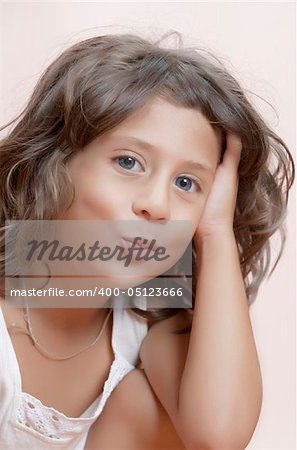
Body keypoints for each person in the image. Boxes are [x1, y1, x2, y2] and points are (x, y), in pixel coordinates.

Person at [0, 32, 294, 450]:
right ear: (55, 162)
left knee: (149, 404)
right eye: (128, 162)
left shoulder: (146, 329)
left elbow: (219, 435)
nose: (157, 206)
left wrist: (215, 236)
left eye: (187, 183)